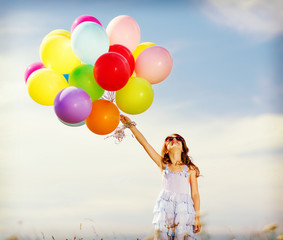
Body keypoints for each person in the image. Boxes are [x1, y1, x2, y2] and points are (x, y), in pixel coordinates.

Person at [120, 114, 201, 240]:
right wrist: (130, 125)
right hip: (165, 210)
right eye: (169, 139)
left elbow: (195, 194)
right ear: (166, 149)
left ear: (183, 148)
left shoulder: (190, 169)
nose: (174, 140)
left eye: (178, 138)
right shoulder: (163, 164)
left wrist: (196, 217)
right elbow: (144, 143)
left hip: (184, 211)